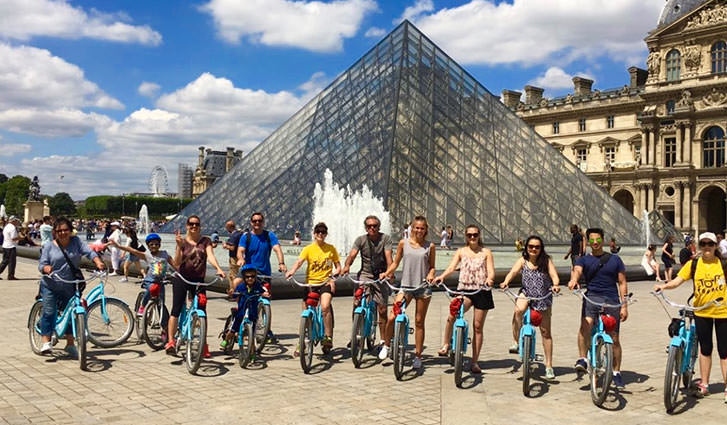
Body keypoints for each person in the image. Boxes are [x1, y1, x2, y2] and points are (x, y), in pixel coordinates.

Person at [654, 232, 727, 400]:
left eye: (710, 244)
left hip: (723, 312)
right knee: (705, 349)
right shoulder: (693, 264)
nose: (707, 247)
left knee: (724, 351)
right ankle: (704, 385)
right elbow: (678, 281)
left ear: (716, 246)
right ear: (699, 246)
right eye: (703, 244)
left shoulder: (723, 264)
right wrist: (663, 287)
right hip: (701, 311)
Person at [568, 228, 629, 389]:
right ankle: (583, 359)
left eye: (598, 240)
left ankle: (616, 372)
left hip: (612, 299)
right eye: (592, 240)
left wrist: (624, 306)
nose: (595, 243)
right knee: (585, 324)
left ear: (604, 240)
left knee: (614, 337)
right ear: (587, 242)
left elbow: (622, 283)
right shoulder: (583, 260)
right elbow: (577, 271)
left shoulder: (615, 260)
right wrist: (574, 280)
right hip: (592, 297)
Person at [37, 217, 105, 356]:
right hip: (51, 284)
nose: (63, 233)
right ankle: (46, 341)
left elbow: (89, 252)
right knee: (49, 312)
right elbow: (41, 264)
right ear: (55, 232)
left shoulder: (76, 242)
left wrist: (98, 261)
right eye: (59, 231)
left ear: (70, 230)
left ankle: (70, 343)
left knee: (71, 314)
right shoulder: (49, 246)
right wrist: (47, 268)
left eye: (65, 230)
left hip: (70, 284)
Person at [434, 224, 494, 374]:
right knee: (452, 314)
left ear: (479, 235)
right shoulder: (461, 251)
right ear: (466, 236)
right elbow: (451, 267)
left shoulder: (486, 252)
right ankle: (446, 344)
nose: (472, 237)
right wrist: (441, 277)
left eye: (475, 235)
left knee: (478, 327)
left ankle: (474, 361)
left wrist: (490, 280)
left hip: (482, 290)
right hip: (464, 290)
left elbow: (491, 271)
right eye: (469, 235)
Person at [500, 235, 560, 380]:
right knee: (518, 310)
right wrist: (505, 282)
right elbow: (513, 272)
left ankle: (549, 366)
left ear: (541, 248)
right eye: (531, 246)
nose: (533, 249)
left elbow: (554, 275)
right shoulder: (523, 261)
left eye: (537, 247)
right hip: (526, 293)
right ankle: (515, 341)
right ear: (526, 247)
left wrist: (556, 285)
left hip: (543, 297)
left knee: (546, 333)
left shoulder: (546, 261)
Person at [165, 215, 226, 357]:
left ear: (200, 226)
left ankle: (203, 344)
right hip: (181, 278)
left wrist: (218, 268)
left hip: (198, 280)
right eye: (191, 224)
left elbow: (210, 256)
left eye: (196, 224)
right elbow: (177, 263)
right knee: (176, 309)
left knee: (202, 311)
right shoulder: (182, 241)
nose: (194, 226)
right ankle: (170, 342)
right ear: (187, 226)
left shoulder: (206, 241)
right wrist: (179, 247)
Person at [381, 216, 435, 368]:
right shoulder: (403, 243)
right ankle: (386, 345)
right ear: (412, 228)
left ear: (426, 230)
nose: (419, 230)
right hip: (406, 287)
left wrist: (431, 274)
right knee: (392, 316)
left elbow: (432, 266)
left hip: (423, 288)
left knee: (419, 321)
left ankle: (418, 356)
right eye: (416, 227)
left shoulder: (430, 246)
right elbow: (396, 263)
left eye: (422, 228)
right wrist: (387, 273)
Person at [285, 222, 341, 355]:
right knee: (305, 313)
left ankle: (327, 337)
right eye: (318, 232)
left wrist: (333, 276)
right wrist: (291, 271)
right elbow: (299, 262)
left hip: (325, 283)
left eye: (323, 232)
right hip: (310, 284)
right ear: (314, 234)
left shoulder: (331, 249)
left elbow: (338, 267)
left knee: (325, 306)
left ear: (326, 234)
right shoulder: (308, 249)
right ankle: (302, 342)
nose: (320, 234)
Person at [341, 215, 393, 352]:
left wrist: (389, 272)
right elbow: (352, 255)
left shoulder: (385, 239)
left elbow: (389, 257)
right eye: (369, 226)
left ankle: (383, 340)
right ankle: (355, 334)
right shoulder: (361, 240)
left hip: (381, 275)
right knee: (357, 303)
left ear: (379, 227)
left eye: (375, 226)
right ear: (365, 227)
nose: (372, 228)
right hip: (365, 274)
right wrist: (347, 266)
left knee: (382, 309)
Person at [236, 212, 287, 341]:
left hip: (264, 274)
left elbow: (277, 249)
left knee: (266, 301)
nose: (257, 223)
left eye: (259, 221)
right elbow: (240, 251)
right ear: (251, 222)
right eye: (254, 221)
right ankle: (240, 316)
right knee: (237, 285)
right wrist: (241, 259)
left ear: (263, 222)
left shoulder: (269, 236)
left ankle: (267, 329)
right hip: (248, 272)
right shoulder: (246, 237)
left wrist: (281, 263)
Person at [110, 233, 177, 317]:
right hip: (150, 281)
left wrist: (180, 272)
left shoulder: (165, 254)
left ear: (159, 245)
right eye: (151, 244)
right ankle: (143, 305)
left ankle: (164, 326)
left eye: (156, 244)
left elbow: (175, 265)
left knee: (161, 304)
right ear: (148, 246)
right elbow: (133, 250)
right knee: (151, 288)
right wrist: (118, 246)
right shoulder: (147, 255)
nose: (154, 246)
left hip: (161, 282)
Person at [221, 265, 270, 349]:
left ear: (255, 277)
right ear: (243, 277)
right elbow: (234, 295)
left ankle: (251, 353)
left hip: (252, 312)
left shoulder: (257, 285)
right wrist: (232, 294)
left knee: (252, 334)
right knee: (233, 330)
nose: (250, 279)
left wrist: (265, 294)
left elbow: (263, 291)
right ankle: (226, 340)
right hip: (241, 311)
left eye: (252, 276)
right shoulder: (241, 286)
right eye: (247, 277)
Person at [222, 220, 242, 289]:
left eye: (226, 227)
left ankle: (233, 291)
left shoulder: (233, 236)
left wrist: (225, 246)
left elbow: (232, 248)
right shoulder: (239, 234)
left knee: (232, 275)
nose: (226, 229)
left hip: (234, 258)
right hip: (240, 257)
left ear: (229, 227)